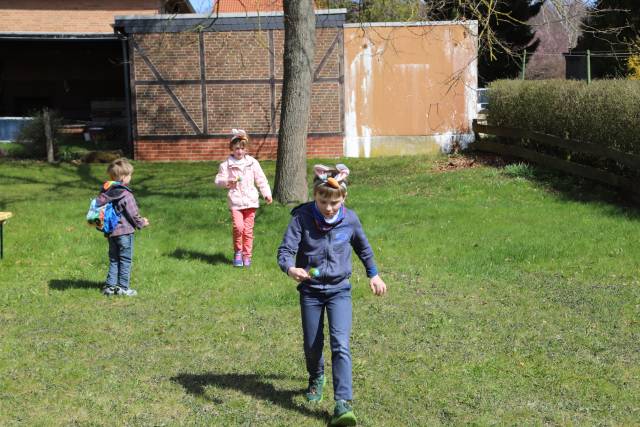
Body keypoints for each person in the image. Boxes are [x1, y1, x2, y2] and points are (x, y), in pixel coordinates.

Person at [277, 164, 387, 426]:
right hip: (311, 291)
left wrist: (374, 274)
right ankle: (316, 376)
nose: (328, 207)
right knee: (313, 345)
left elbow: (363, 248)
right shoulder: (302, 218)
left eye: (334, 202)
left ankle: (343, 403)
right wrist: (290, 268)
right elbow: (285, 250)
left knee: (341, 343)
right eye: (323, 200)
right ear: (315, 195)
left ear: (343, 199)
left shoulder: (349, 219)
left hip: (339, 290)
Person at [215, 129, 272, 267]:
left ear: (246, 149)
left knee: (248, 230)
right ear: (232, 149)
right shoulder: (226, 165)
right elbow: (218, 181)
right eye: (236, 148)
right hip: (235, 202)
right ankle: (238, 252)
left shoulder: (252, 163)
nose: (239, 151)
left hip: (251, 201)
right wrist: (228, 181)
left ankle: (247, 256)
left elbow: (261, 179)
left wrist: (266, 193)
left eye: (242, 148)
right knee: (239, 228)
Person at [97, 158, 149, 296]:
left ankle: (110, 287)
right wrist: (142, 222)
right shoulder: (126, 194)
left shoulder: (106, 192)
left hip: (110, 232)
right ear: (124, 177)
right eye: (130, 175)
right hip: (125, 233)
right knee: (125, 260)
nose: (131, 177)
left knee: (114, 259)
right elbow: (133, 214)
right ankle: (123, 288)